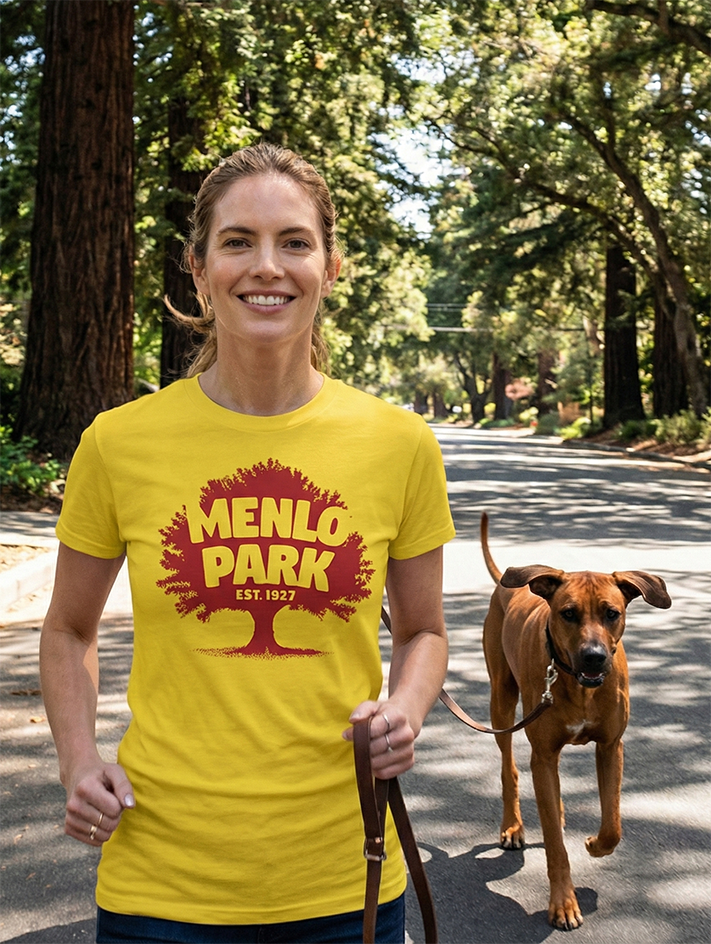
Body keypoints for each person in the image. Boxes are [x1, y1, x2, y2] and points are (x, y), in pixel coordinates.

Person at [40, 142, 455, 944]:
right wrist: (77, 759)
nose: (267, 266)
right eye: (238, 241)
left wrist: (403, 710)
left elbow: (423, 630)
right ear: (198, 269)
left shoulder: (397, 443)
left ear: (330, 267)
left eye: (293, 242)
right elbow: (67, 629)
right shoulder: (118, 443)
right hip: (159, 886)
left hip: (346, 879)